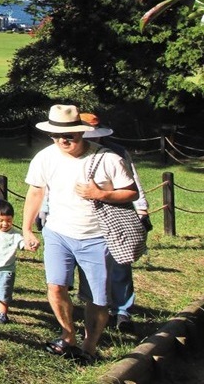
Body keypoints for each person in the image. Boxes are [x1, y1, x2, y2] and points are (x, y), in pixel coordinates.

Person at [22, 104, 138, 364]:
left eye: (69, 135)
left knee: (97, 298)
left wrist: (102, 194)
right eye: (56, 135)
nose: (62, 140)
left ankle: (89, 346)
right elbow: (36, 193)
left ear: (82, 133)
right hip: (58, 232)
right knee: (55, 287)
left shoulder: (108, 158)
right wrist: (27, 229)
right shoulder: (45, 157)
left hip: (97, 236)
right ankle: (68, 335)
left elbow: (132, 192)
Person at [75, 112, 149, 332]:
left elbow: (133, 182)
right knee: (91, 267)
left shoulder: (117, 152)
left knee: (120, 264)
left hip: (116, 215)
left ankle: (123, 311)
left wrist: (142, 209)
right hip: (83, 219)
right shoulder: (69, 152)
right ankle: (97, 308)